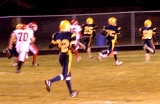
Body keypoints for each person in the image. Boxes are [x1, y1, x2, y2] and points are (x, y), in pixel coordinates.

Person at [44, 20, 79, 98]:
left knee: (68, 74)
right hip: (67, 56)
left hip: (60, 56)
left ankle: (71, 92)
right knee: (64, 75)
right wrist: (75, 47)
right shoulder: (71, 34)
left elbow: (50, 46)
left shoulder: (56, 35)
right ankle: (50, 81)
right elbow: (73, 47)